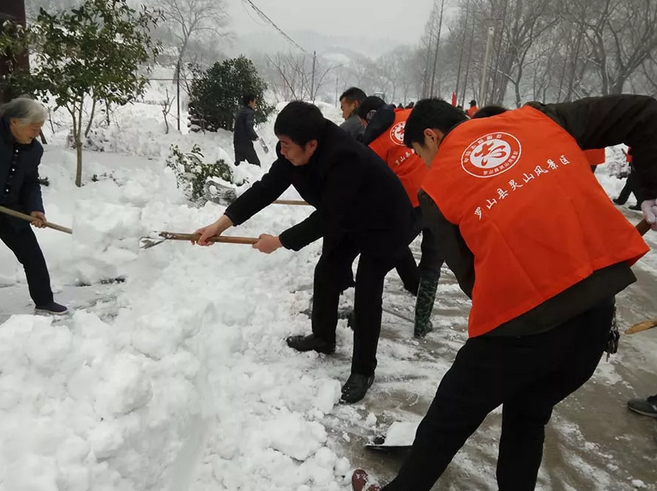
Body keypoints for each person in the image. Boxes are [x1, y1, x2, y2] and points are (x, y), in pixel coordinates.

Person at [357, 94, 657, 491]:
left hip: (521, 327)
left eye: (419, 152)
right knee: (528, 415)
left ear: (431, 137)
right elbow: (646, 113)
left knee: (449, 417)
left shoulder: (437, 186)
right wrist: (652, 188)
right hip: (595, 315)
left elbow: (470, 277)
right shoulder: (540, 118)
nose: (425, 163)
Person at [194, 101, 415, 404]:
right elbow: (266, 188)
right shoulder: (293, 149)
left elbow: (327, 217)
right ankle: (323, 337)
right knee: (327, 270)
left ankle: (364, 370)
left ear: (312, 145)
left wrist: (281, 240)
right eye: (279, 143)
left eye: (286, 146)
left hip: (385, 221)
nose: (281, 151)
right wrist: (222, 223)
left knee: (367, 288)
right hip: (347, 216)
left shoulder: (344, 157)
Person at [357, 96, 444, 338]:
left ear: (370, 118)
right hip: (440, 196)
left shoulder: (374, 144)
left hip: (410, 206)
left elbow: (372, 184)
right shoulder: (410, 116)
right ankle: (422, 323)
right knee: (432, 264)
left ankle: (361, 314)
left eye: (364, 122)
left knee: (378, 262)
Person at [0, 97, 67, 315]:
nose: (37, 134)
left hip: (10, 210)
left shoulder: (33, 150)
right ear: (14, 123)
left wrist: (35, 208)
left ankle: (44, 302)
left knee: (32, 256)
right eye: (34, 128)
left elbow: (30, 181)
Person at [233, 93, 261, 167]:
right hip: (245, 142)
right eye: (254, 102)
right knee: (256, 165)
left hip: (237, 141)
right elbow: (248, 126)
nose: (255, 104)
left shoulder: (240, 111)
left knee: (239, 166)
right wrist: (254, 136)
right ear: (250, 102)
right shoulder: (249, 113)